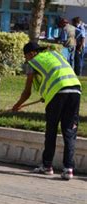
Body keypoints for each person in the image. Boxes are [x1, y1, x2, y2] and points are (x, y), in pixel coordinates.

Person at [12, 42, 82, 181]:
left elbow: (27, 92)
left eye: (26, 57)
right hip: (75, 90)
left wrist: (17, 105)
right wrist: (47, 95)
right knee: (69, 131)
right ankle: (68, 169)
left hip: (58, 93)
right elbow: (57, 74)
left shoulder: (33, 62)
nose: (26, 60)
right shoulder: (55, 54)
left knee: (51, 130)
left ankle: (47, 166)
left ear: (31, 54)